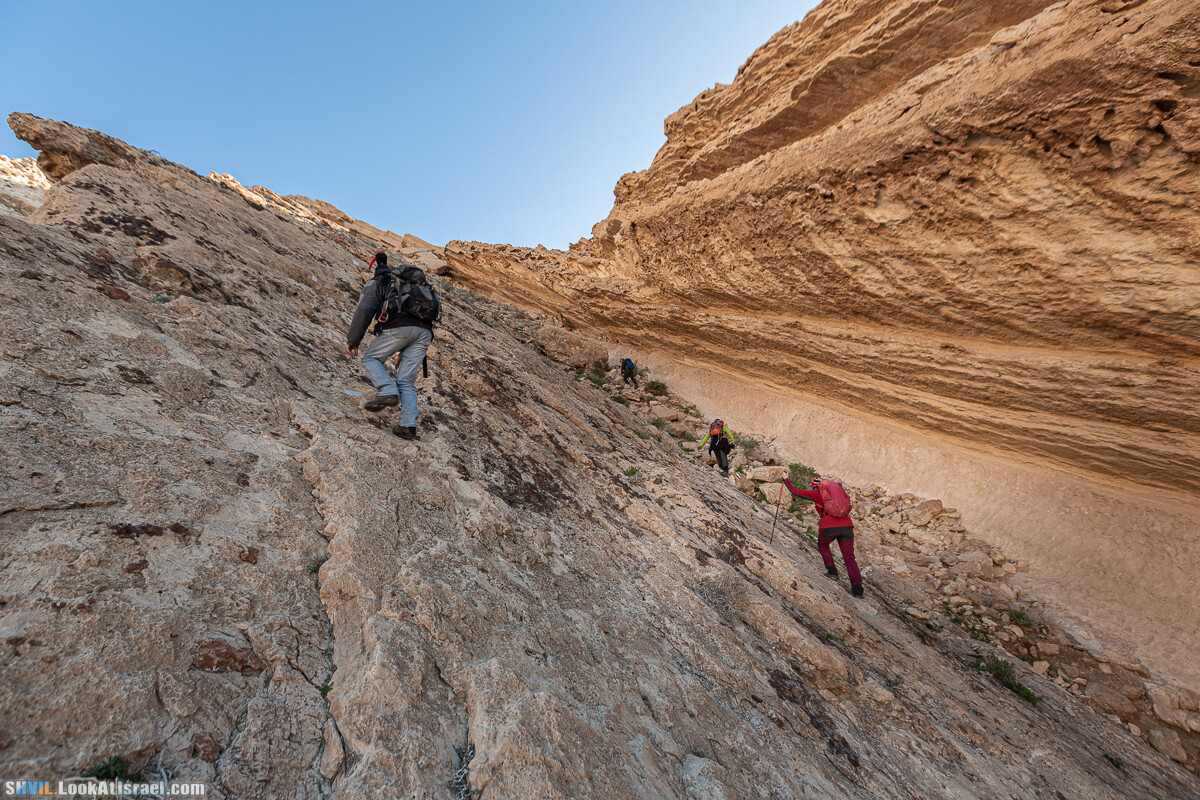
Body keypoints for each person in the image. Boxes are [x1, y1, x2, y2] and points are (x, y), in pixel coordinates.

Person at [345, 251, 439, 440]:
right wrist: (404, 351)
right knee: (405, 380)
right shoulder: (414, 288)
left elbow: (364, 309)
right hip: (424, 334)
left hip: (398, 327)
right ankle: (408, 425)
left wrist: (353, 340)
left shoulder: (381, 281)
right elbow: (418, 320)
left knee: (371, 358)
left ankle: (387, 390)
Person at [782, 475, 863, 597]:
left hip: (829, 526)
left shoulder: (817, 493)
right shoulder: (840, 492)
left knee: (823, 545)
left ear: (816, 485)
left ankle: (832, 572)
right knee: (849, 558)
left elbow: (796, 491)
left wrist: (786, 479)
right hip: (847, 526)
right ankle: (858, 590)